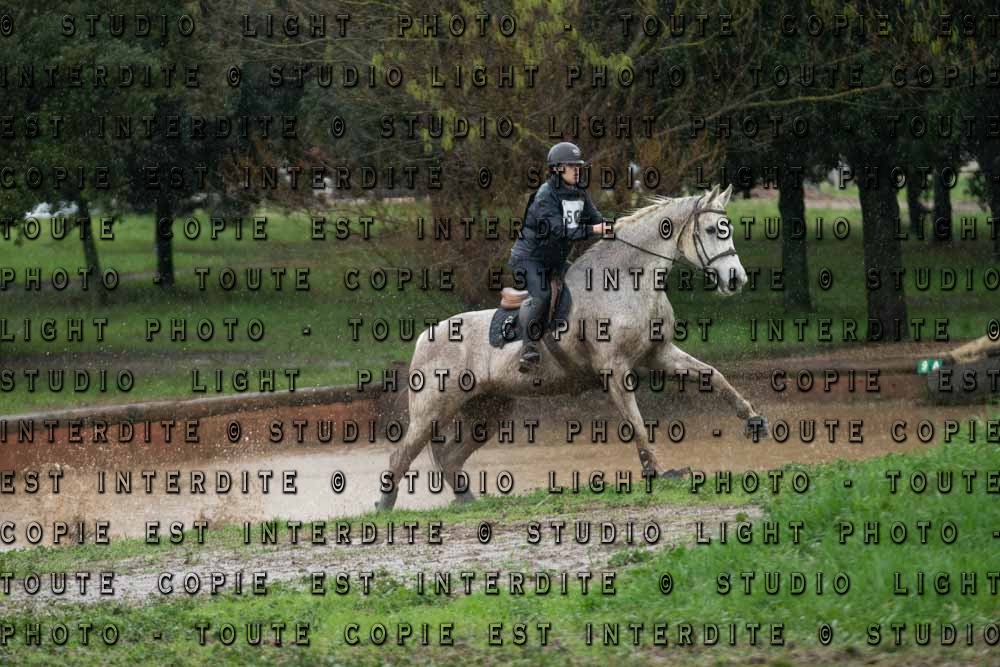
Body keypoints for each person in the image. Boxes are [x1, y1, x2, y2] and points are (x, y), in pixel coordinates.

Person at [508, 141, 612, 372]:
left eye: (579, 166)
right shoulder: (545, 195)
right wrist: (595, 230)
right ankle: (529, 348)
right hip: (529, 260)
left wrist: (617, 227)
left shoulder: (579, 192)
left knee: (587, 281)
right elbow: (559, 231)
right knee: (543, 294)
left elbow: (596, 219)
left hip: (554, 261)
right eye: (572, 166)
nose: (577, 170)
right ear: (557, 169)